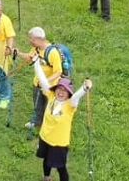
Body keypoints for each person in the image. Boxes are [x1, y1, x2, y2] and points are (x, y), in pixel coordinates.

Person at [29, 51, 93, 181]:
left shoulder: (70, 104)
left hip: (59, 143)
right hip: (45, 137)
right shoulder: (51, 96)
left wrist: (84, 88)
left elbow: (76, 96)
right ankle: (46, 178)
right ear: (55, 89)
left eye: (64, 90)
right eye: (59, 89)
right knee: (46, 160)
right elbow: (42, 79)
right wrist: (36, 63)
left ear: (68, 93)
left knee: (61, 167)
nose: (61, 92)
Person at [22, 27, 64, 134]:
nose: (29, 41)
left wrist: (45, 81)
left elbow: (58, 72)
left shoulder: (52, 52)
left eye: (31, 39)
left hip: (50, 87)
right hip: (37, 83)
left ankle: (48, 127)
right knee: (37, 104)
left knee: (49, 107)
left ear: (38, 39)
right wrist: (16, 52)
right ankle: (37, 121)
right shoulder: (36, 49)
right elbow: (29, 58)